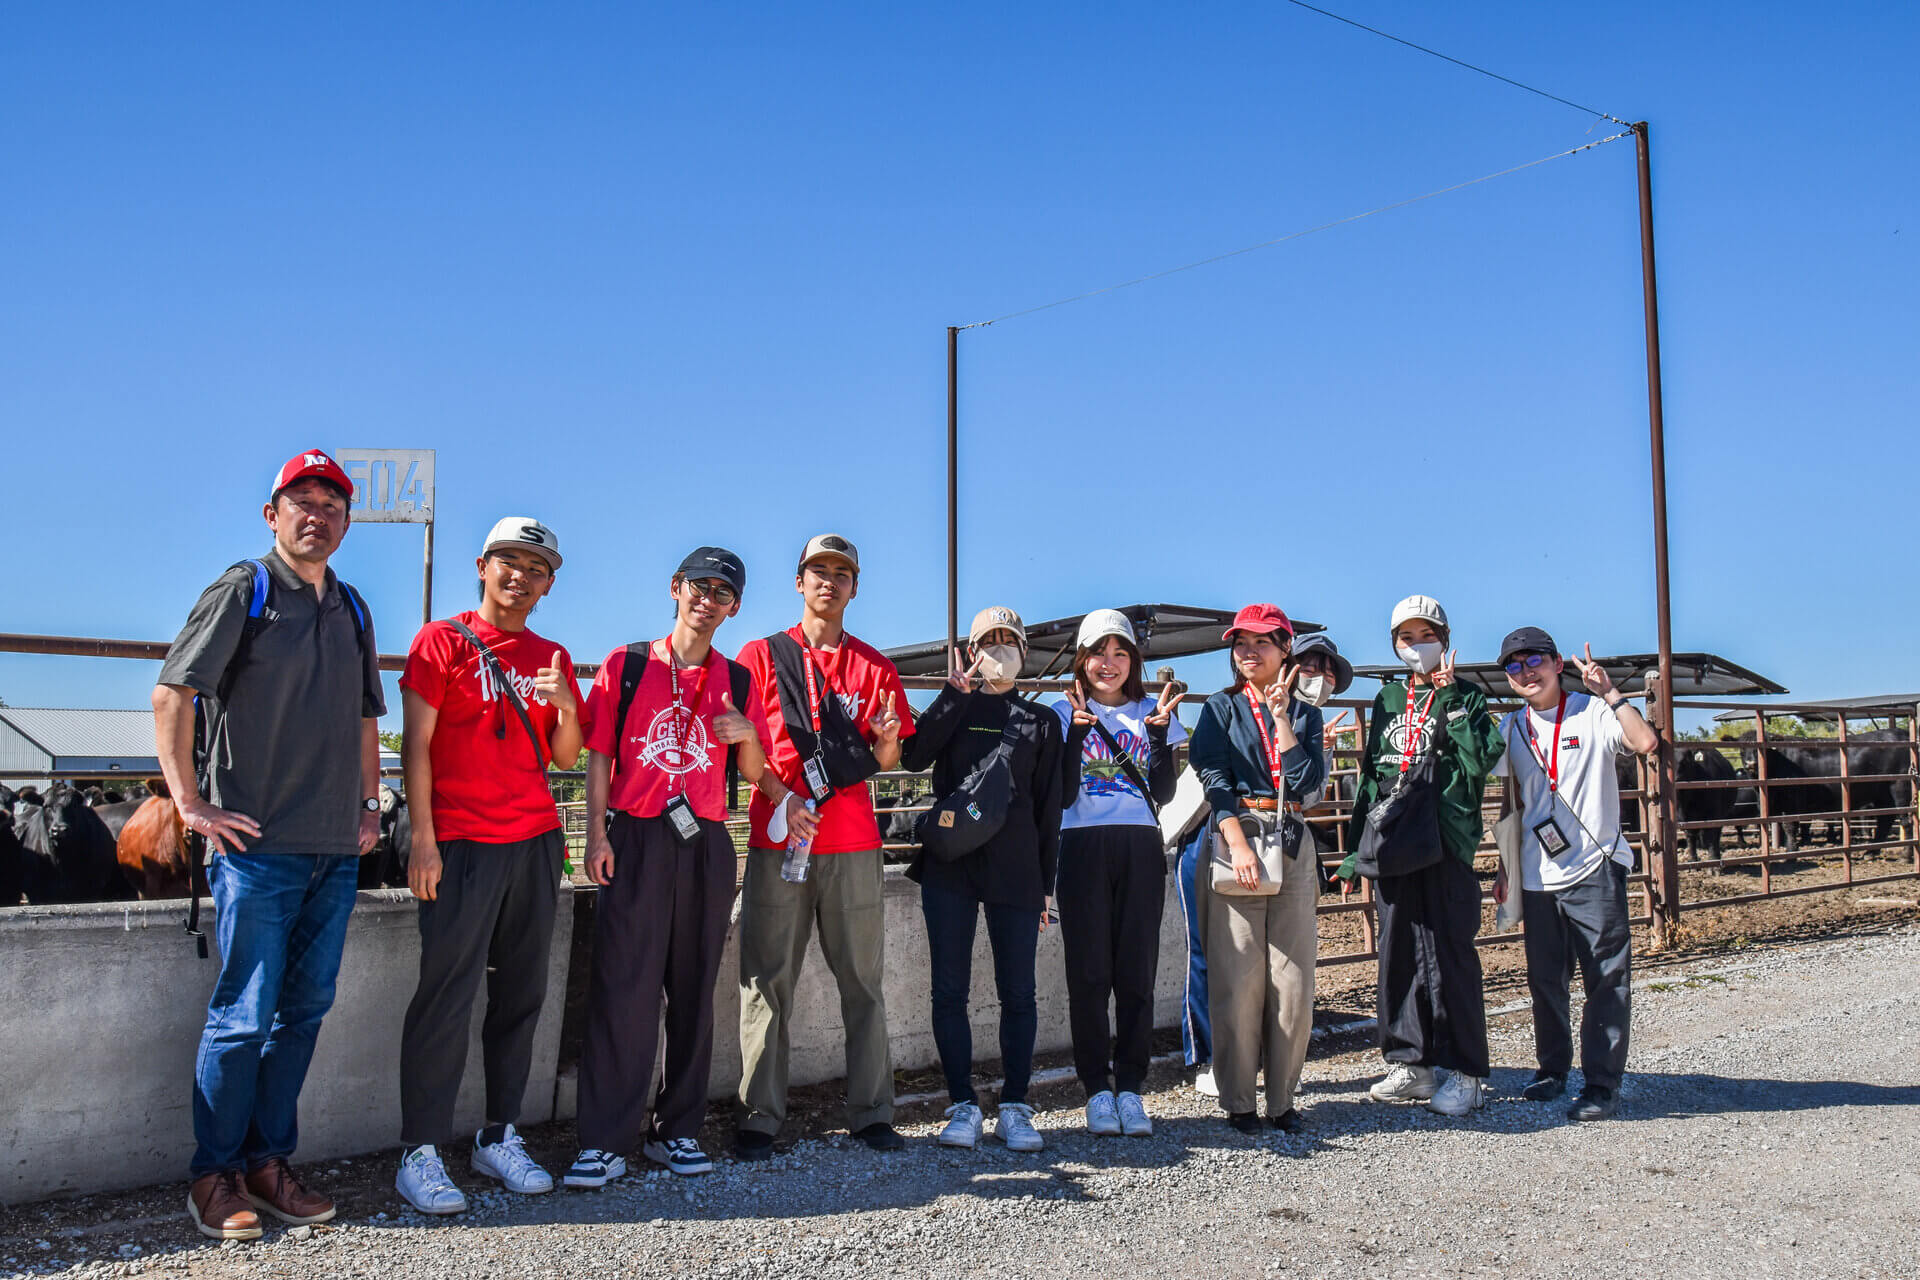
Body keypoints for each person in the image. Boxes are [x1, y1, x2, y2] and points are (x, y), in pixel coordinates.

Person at [151, 449, 384, 1241]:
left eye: (332, 504)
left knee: (305, 1011)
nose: (316, 514)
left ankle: (267, 1160)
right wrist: (189, 802)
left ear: (347, 523)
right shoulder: (245, 589)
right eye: (302, 501)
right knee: (244, 1015)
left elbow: (363, 718)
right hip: (257, 845)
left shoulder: (350, 606)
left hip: (335, 847)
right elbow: (171, 690)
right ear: (272, 515)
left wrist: (369, 807)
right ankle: (212, 1175)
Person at [564, 547, 796, 1186]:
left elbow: (751, 771)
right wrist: (595, 836)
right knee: (624, 989)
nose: (708, 600)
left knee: (694, 991)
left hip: (708, 842)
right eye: (700, 586)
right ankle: (606, 1139)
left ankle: (678, 1130)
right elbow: (600, 756)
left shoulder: (738, 678)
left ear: (734, 607)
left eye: (723, 593)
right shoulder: (629, 663)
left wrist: (766, 766)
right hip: (636, 836)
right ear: (676, 588)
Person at [392, 518, 586, 1214]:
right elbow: (416, 746)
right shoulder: (439, 640)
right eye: (509, 561)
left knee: (522, 995)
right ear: (482, 565)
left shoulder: (552, 654)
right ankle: (420, 1149)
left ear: (549, 583)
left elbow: (566, 757)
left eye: (536, 568)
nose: (520, 576)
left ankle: (499, 1135)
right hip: (462, 842)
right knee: (445, 996)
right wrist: (422, 836)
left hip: (534, 841)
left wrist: (565, 705)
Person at [731, 534, 913, 1159]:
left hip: (854, 843)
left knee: (863, 981)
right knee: (765, 977)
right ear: (799, 581)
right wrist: (782, 796)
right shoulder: (759, 656)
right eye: (817, 571)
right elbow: (741, 743)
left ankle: (873, 1111)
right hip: (776, 834)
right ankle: (759, 1114)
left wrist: (886, 742)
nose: (828, 582)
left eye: (841, 573)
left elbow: (887, 758)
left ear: (855, 587)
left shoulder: (875, 667)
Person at [901, 606, 1064, 1153]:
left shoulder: (1041, 721)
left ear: (1024, 650)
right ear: (972, 651)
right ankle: (962, 1104)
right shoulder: (956, 705)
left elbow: (1051, 809)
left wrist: (1047, 883)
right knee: (950, 989)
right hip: (951, 865)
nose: (1000, 651)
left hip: (1017, 870)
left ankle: (1016, 1105)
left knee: (1018, 991)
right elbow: (913, 757)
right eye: (988, 642)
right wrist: (951, 695)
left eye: (1009, 641)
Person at [1337, 595, 1504, 1117]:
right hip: (1391, 843)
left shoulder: (1468, 697)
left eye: (1426, 636)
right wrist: (1351, 854)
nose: (1416, 646)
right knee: (1398, 954)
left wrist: (1451, 698)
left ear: (1445, 640)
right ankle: (1412, 1063)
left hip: (1444, 840)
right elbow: (1370, 778)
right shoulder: (1388, 700)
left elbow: (1481, 759)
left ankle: (1467, 1070)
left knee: (1449, 954)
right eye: (1406, 638)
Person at [1492, 628, 1657, 1122]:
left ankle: (1602, 1084)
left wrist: (1610, 691)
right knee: (1545, 979)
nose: (1526, 672)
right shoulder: (1512, 727)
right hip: (1537, 873)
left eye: (1534, 660)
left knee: (1606, 978)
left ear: (1557, 662)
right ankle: (1552, 1070)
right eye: (1514, 665)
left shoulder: (1592, 710)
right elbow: (1512, 799)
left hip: (1594, 864)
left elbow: (1645, 741)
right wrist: (1505, 866)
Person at [1187, 605, 1326, 1133]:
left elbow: (1310, 785)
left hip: (1291, 839)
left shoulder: (1306, 713)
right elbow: (1213, 777)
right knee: (1237, 978)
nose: (1249, 651)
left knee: (1292, 980)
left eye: (1263, 642)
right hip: (1236, 836)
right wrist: (1237, 842)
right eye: (1241, 642)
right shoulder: (1220, 707)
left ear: (1285, 648)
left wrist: (1283, 719)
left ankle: (1282, 1099)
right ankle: (1240, 1100)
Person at [1053, 608, 1183, 1137]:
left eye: (1120, 652)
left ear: (1134, 660)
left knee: (1136, 969)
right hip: (1081, 845)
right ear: (1082, 661)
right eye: (1098, 653)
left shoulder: (1154, 710)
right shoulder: (1061, 713)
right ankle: (1096, 1090)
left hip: (1139, 846)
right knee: (1088, 973)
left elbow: (1167, 793)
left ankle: (1131, 1086)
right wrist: (1074, 738)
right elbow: (1060, 794)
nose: (1109, 664)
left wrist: (1155, 737)